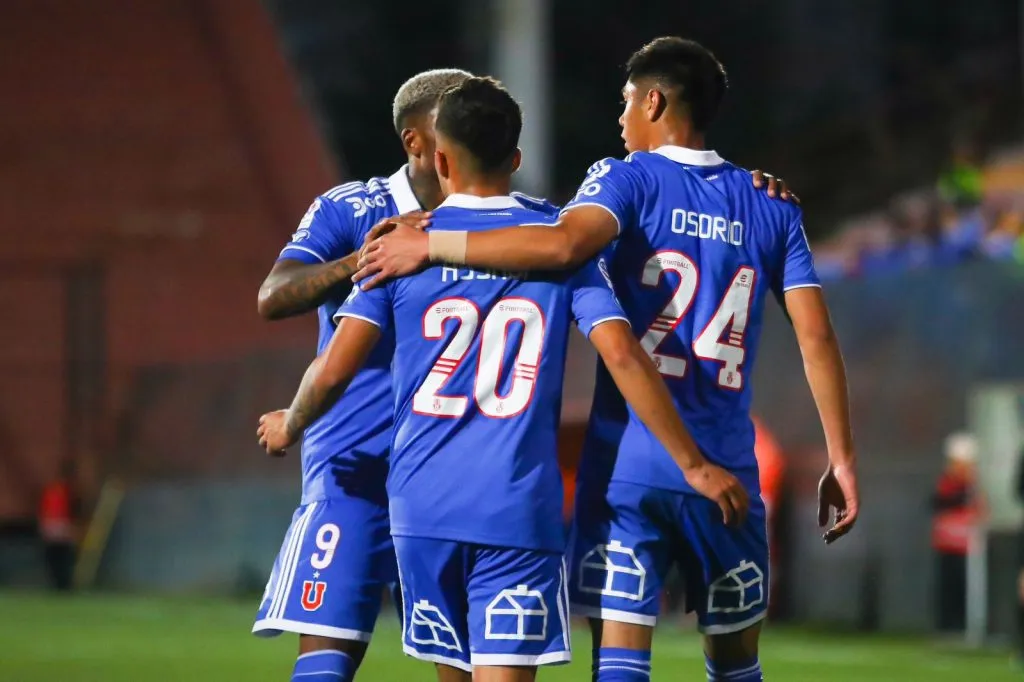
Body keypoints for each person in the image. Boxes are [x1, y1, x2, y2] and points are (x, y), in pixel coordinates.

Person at [354, 37, 859, 682]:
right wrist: (842, 459)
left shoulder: (625, 178)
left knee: (620, 666)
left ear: (654, 102)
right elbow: (816, 339)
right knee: (737, 667)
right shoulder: (771, 204)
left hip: (629, 466)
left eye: (626, 102)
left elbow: (563, 245)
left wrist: (434, 245)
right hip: (729, 466)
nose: (620, 120)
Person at [258, 76, 749, 682]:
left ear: (441, 157)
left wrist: (291, 423)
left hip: (422, 503)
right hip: (512, 505)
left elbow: (335, 366)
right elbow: (624, 356)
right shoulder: (555, 242)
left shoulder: (400, 245)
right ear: (516, 158)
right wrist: (693, 465)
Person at [251, 69, 479, 682]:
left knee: (459, 662)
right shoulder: (352, 208)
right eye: (452, 124)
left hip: (449, 468)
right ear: (414, 141)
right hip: (353, 465)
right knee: (327, 657)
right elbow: (273, 296)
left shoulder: (495, 221)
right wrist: (362, 258)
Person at [930, 432, 982, 634]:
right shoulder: (947, 483)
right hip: (948, 543)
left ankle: (964, 627)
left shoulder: (974, 485)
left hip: (969, 546)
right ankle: (946, 627)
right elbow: (937, 502)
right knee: (948, 587)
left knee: (966, 589)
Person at [38, 459, 79, 592]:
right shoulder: (57, 491)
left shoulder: (63, 491)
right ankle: (60, 585)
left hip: (58, 529)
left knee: (60, 559)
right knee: (58, 559)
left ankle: (62, 585)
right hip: (56, 528)